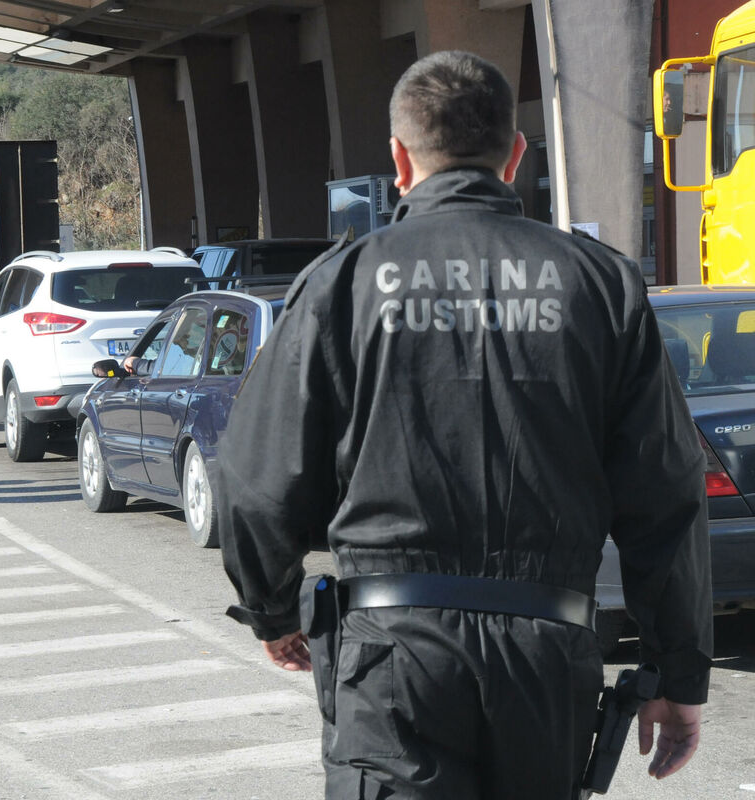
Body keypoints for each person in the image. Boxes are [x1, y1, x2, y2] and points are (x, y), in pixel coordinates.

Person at [216, 51, 711, 799]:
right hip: (548, 655)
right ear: (515, 155)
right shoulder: (601, 283)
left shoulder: (340, 284)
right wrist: (678, 671)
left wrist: (271, 608)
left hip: (390, 656)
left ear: (398, 160)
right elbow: (665, 492)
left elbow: (255, 479)